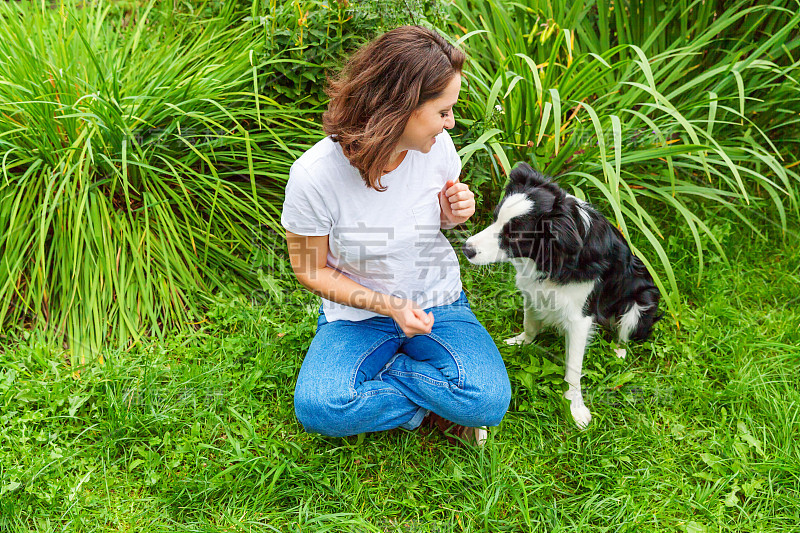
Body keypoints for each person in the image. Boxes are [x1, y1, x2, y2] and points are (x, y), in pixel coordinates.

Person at [281, 25, 511, 446]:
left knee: (488, 400)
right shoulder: (314, 176)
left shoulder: (435, 148)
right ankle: (435, 402)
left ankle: (389, 383)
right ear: (400, 107)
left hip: (436, 304)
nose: (451, 123)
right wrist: (390, 305)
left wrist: (451, 213)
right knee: (320, 406)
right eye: (443, 112)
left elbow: (428, 221)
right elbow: (310, 269)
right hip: (357, 316)